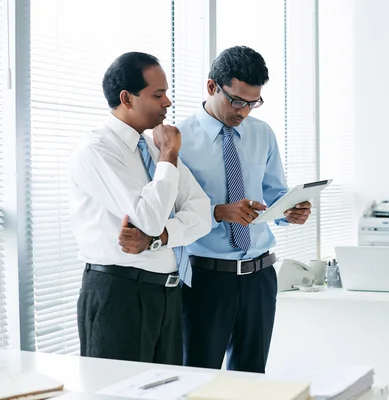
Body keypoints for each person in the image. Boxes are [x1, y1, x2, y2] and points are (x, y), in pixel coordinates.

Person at [69, 51, 212, 365]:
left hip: (167, 294)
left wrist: (161, 237)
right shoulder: (97, 150)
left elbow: (202, 213)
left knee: (167, 391)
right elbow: (147, 218)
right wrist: (169, 156)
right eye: (158, 94)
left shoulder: (151, 147)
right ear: (127, 98)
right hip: (117, 294)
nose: (168, 103)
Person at [176, 45, 312, 373]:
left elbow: (275, 192)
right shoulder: (177, 139)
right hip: (205, 278)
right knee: (198, 376)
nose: (245, 112)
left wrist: (291, 210)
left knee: (252, 379)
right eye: (237, 101)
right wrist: (219, 212)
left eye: (254, 103)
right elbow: (169, 212)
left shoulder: (262, 133)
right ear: (212, 87)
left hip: (260, 276)